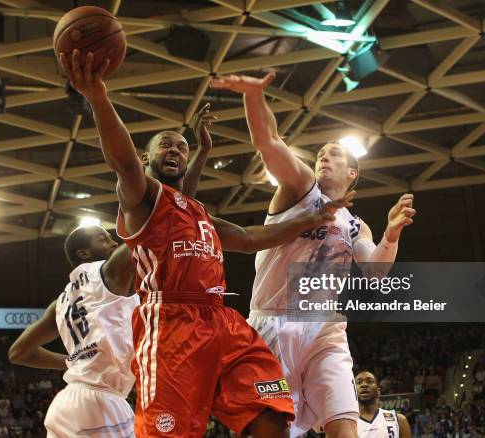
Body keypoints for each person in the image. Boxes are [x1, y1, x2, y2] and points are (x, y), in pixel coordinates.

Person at [59, 49, 350, 438]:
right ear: (148, 157)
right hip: (170, 325)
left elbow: (249, 239)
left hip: (222, 321)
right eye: (166, 145)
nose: (176, 150)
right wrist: (98, 98)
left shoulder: (197, 213)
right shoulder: (141, 200)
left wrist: (310, 218)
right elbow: (124, 162)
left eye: (182, 146)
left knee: (272, 416)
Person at [211, 72, 416, 438]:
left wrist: (392, 235)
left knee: (344, 427)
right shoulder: (301, 190)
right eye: (320, 153)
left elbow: (375, 271)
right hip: (274, 323)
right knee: (272, 431)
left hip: (326, 330)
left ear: (352, 172)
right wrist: (254, 96)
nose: (324, 156)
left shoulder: (356, 225)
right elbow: (269, 140)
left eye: (333, 153)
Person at [7, 105, 215, 438]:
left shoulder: (61, 302)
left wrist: (74, 363)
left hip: (66, 403)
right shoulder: (112, 272)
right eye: (104, 238)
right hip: (101, 402)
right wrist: (202, 154)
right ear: (85, 253)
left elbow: (19, 352)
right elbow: (170, 217)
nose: (114, 237)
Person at [355, 371, 411, 438]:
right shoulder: (348, 425)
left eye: (369, 381)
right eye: (359, 382)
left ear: (378, 392)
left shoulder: (399, 420)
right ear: (354, 392)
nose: (364, 385)